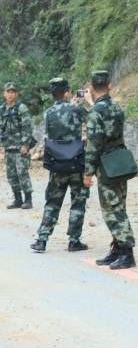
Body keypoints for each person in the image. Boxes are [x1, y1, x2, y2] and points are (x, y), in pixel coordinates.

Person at [84, 70, 136, 270]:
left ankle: (126, 251)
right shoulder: (116, 107)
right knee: (118, 205)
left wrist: (88, 172)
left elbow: (93, 144)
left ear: (90, 87)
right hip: (119, 160)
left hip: (105, 165)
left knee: (112, 210)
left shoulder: (96, 112)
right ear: (110, 85)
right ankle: (116, 249)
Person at [30, 78, 89, 253]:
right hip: (76, 162)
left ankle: (42, 239)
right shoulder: (76, 108)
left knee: (52, 202)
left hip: (57, 162)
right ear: (67, 92)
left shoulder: (48, 113)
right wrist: (82, 102)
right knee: (78, 202)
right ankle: (74, 240)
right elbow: (93, 118)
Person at [0, 82, 35, 209]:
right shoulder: (2, 109)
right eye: (8, 92)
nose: (10, 94)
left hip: (20, 147)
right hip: (8, 148)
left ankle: (28, 200)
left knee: (22, 173)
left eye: (13, 92)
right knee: (11, 174)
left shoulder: (21, 108)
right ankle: (18, 199)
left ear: (16, 94)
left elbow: (28, 127)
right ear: (4, 93)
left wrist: (25, 144)